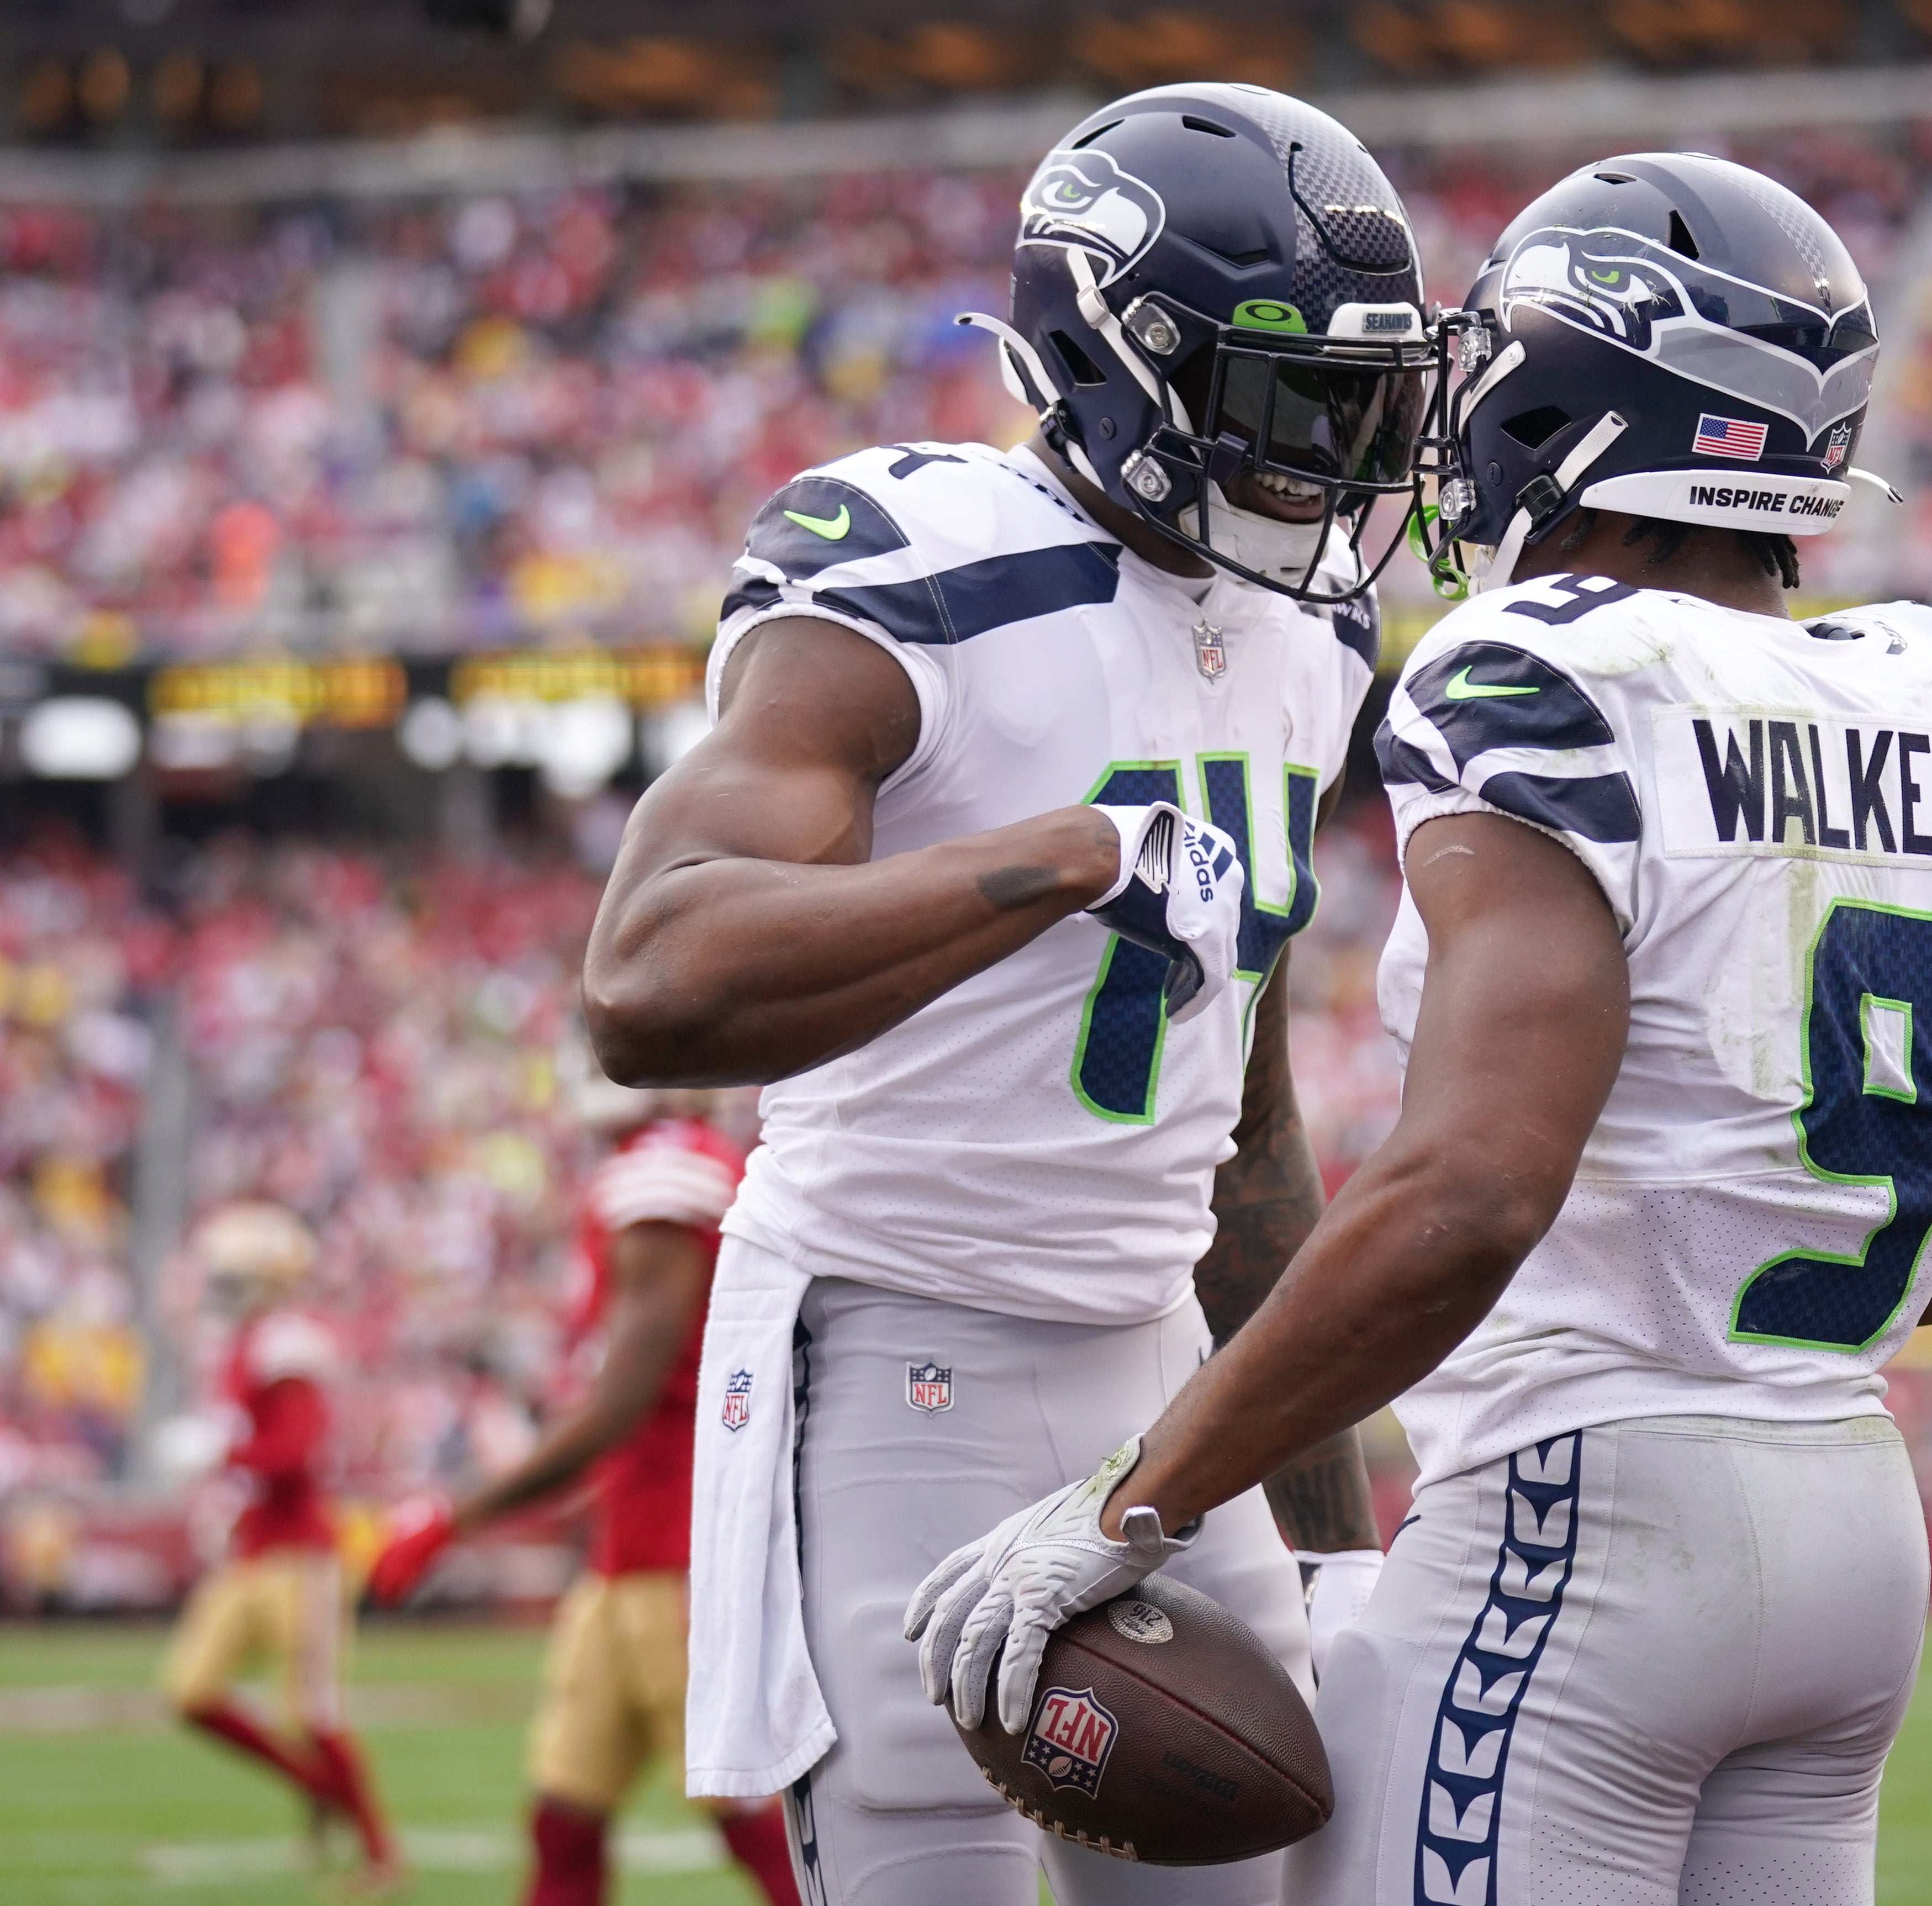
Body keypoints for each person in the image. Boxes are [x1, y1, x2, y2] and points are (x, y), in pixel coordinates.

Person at [909, 152, 1932, 1906]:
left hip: (1592, 1527)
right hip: (1851, 1512)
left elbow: (1466, 1194)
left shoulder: (1538, 667)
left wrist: (1128, 1502)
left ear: (1563, 398)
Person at [579, 81, 1435, 1906]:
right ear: (1114, 362)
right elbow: (644, 983)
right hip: (900, 1355)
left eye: (1366, 401)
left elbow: (1242, 1130)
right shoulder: (908, 569)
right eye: (1293, 400)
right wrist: (1060, 858)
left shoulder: (1309, 638)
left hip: (1162, 1382)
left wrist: (1329, 1531)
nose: (1335, 461)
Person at [366, 1060, 798, 1906]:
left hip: (684, 1552)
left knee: (748, 1812)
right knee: (566, 1811)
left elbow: (622, 1403)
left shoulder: (664, 1173)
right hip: (631, 1550)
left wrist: (452, 1517)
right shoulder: (672, 1163)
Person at [162, 1201, 400, 1895]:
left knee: (318, 1713)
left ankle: (380, 1853)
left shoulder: (285, 1343)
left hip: (300, 1555)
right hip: (254, 1550)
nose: (222, 1287)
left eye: (234, 1274)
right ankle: (315, 1787)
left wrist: (224, 1452)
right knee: (192, 1691)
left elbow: (295, 1453)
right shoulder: (246, 1342)